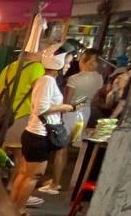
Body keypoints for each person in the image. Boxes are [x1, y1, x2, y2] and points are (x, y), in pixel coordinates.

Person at [9, 48, 75, 216]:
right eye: (67, 62)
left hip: (34, 133)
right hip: (38, 135)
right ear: (58, 63)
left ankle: (13, 208)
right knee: (32, 176)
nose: (68, 66)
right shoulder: (47, 81)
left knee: (24, 173)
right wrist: (67, 107)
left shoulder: (45, 80)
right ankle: (19, 210)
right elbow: (41, 108)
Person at [39, 48, 104, 196]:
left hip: (70, 114)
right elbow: (95, 99)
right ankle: (69, 182)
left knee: (61, 149)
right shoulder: (99, 79)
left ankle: (55, 184)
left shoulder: (74, 79)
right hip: (85, 113)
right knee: (76, 148)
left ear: (83, 61)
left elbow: (67, 102)